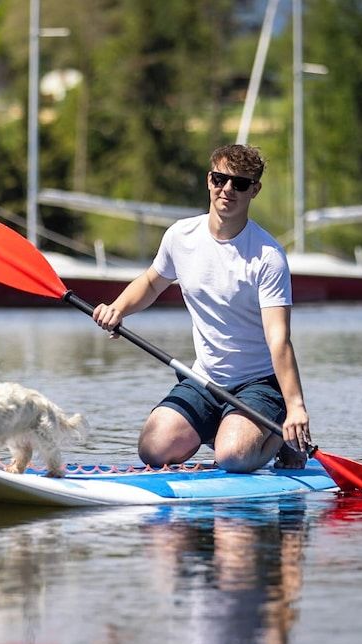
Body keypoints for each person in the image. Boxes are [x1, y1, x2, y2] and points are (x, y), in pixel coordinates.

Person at [92, 144, 310, 472]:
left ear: (255, 190)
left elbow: (278, 339)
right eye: (220, 179)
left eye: (240, 183)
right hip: (204, 378)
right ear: (209, 180)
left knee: (233, 457)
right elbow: (151, 282)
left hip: (259, 383)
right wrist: (118, 308)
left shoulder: (268, 257)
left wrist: (296, 407)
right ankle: (222, 427)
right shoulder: (180, 236)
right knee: (153, 450)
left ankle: (279, 437)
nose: (227, 189)